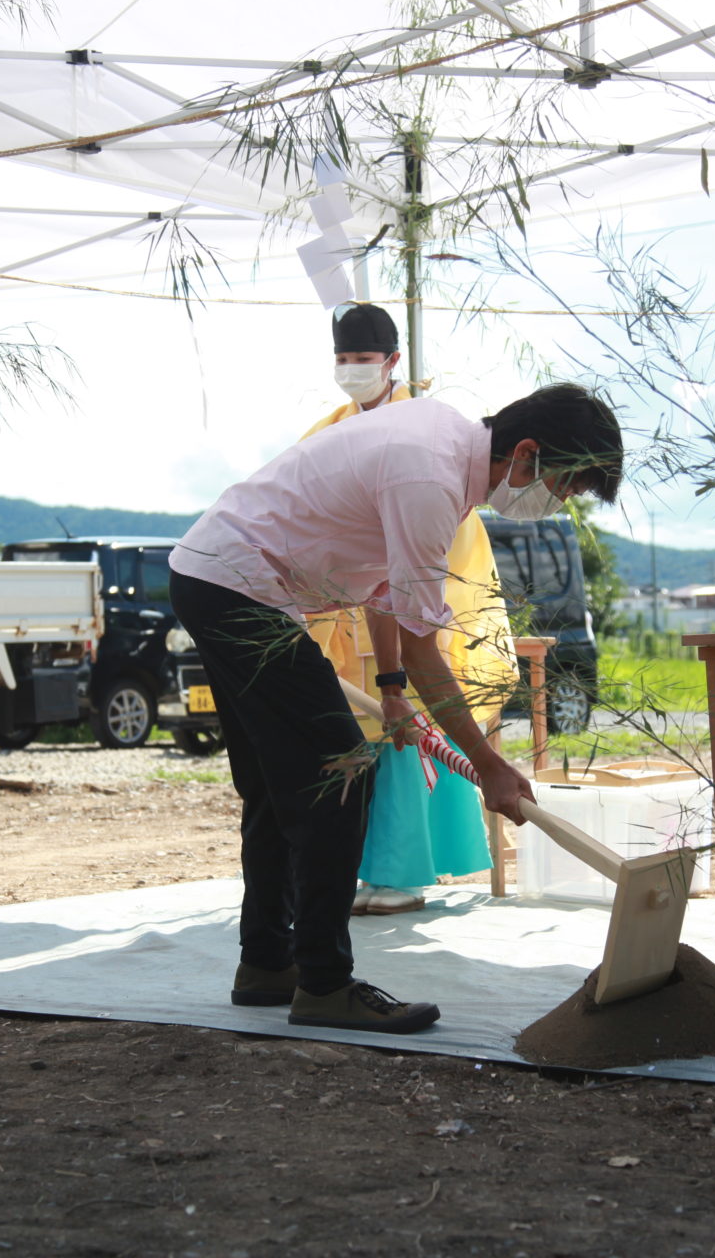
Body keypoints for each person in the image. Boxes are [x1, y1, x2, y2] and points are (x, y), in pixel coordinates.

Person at [170, 381, 623, 1033]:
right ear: (526, 456)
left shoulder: (442, 449)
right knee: (344, 771)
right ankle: (324, 984)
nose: (560, 504)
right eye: (566, 486)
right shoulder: (432, 480)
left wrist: (388, 688)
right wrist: (490, 763)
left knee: (279, 788)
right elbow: (425, 652)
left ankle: (268, 962)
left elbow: (386, 590)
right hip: (238, 588)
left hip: (214, 577)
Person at [302, 304, 512, 915]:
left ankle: (402, 871)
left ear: (393, 361)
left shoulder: (423, 427)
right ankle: (364, 868)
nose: (351, 370)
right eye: (343, 359)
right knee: (357, 741)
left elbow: (434, 539)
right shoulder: (329, 426)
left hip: (413, 598)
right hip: (349, 609)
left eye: (362, 359)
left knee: (407, 731)